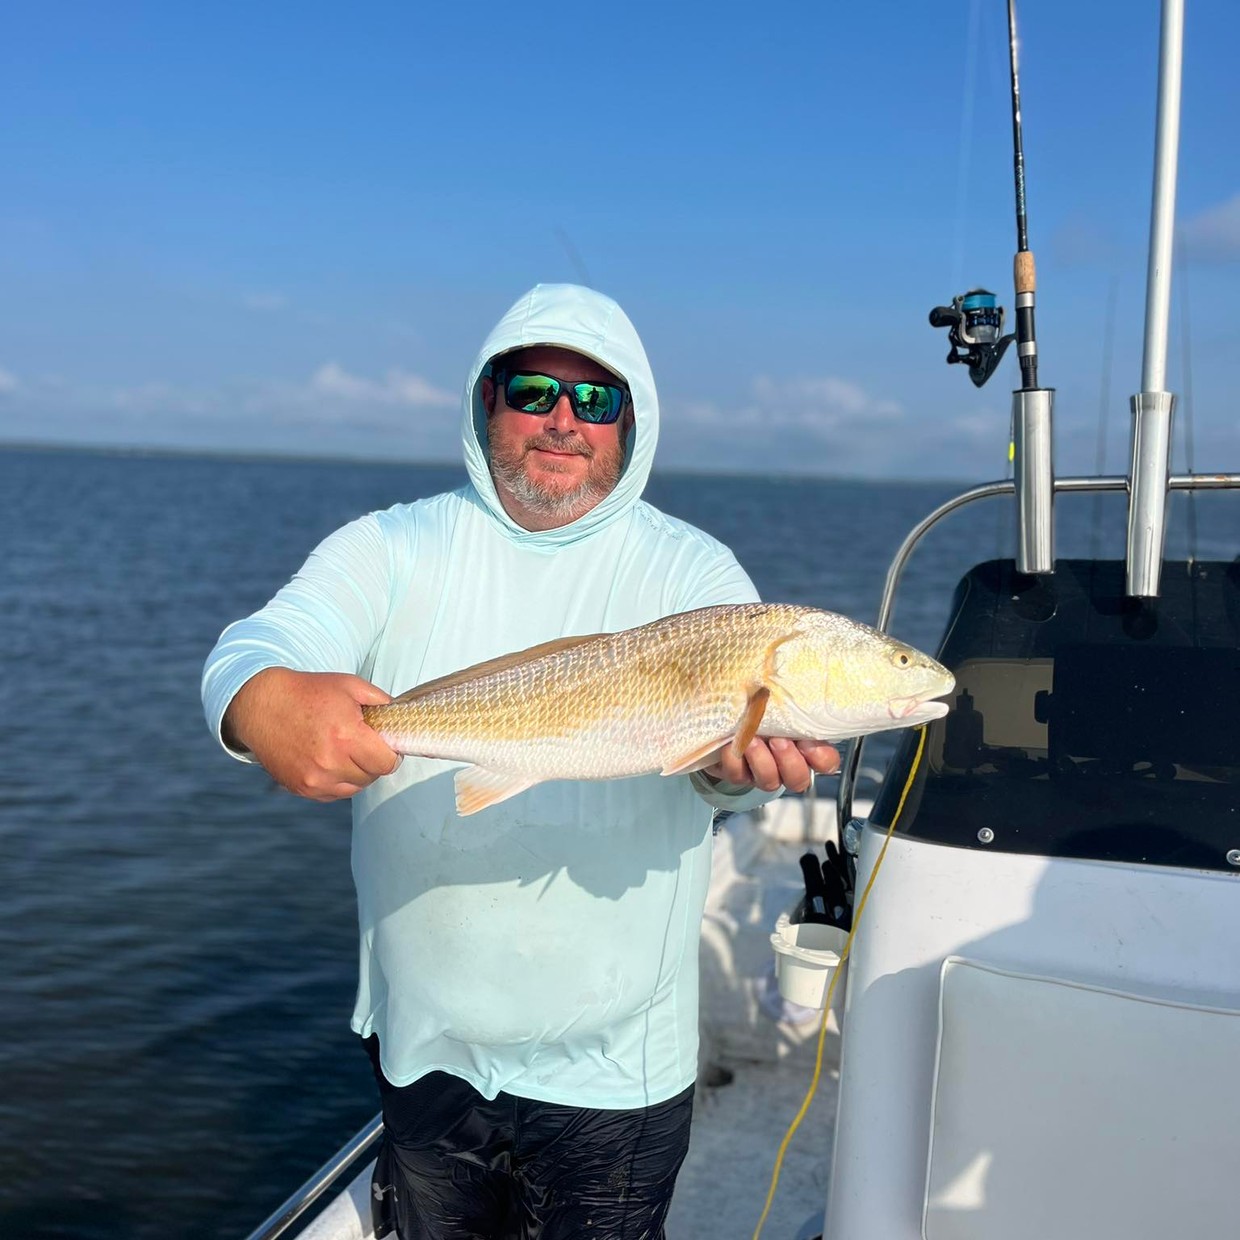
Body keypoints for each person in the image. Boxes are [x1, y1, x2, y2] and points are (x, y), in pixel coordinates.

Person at [202, 283, 840, 1239]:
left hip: (618, 1064)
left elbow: (712, 774)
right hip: (429, 1049)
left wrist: (728, 771)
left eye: (596, 400)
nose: (563, 421)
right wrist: (258, 704)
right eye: (534, 389)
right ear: (485, 399)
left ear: (633, 424)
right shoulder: (391, 545)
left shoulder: (695, 575)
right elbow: (254, 647)